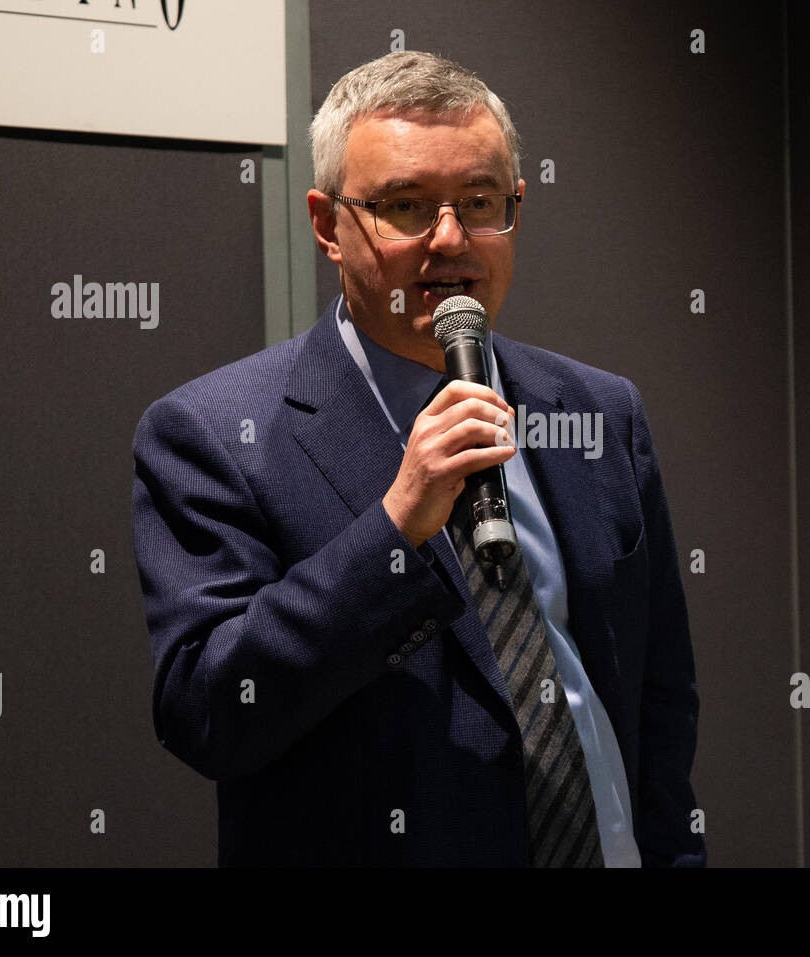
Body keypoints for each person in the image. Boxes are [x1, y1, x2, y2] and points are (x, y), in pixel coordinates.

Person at [131, 50, 704, 867]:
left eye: (478, 202)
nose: (450, 238)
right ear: (328, 225)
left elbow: (659, 698)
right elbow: (210, 712)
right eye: (405, 206)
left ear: (516, 208)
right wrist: (396, 526)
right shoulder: (214, 433)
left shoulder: (600, 412)